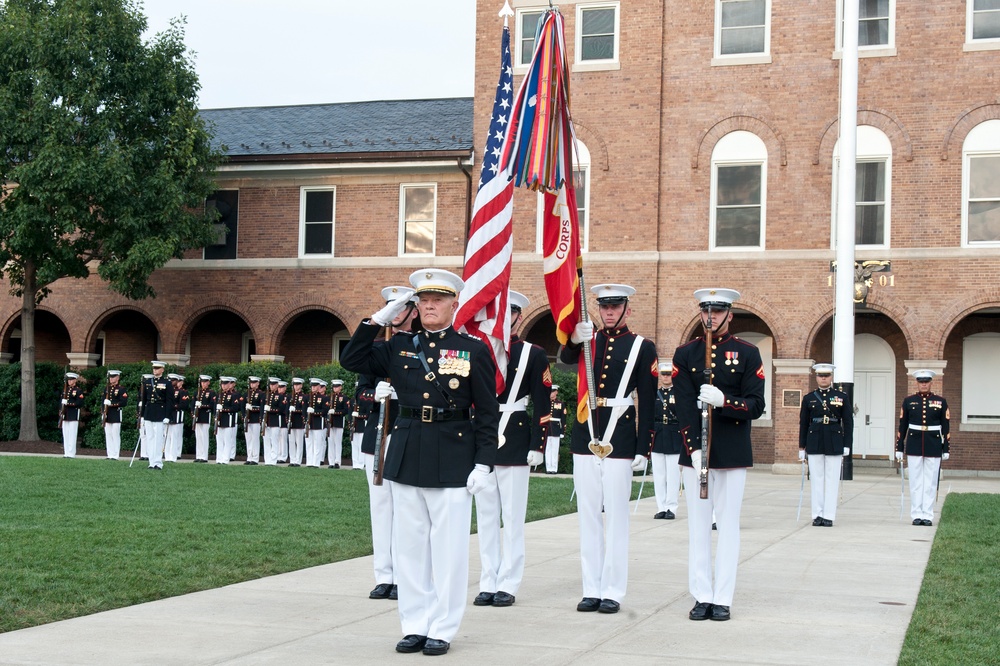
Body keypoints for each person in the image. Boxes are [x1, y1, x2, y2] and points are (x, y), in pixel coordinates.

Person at [341, 268, 498, 657]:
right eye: (423, 300)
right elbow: (352, 358)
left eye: (438, 299)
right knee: (409, 548)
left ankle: (442, 627)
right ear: (415, 306)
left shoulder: (472, 349)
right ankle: (414, 624)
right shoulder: (399, 347)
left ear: (453, 304)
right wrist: (379, 318)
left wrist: (483, 463)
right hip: (408, 452)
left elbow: (488, 413)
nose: (430, 305)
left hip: (453, 455)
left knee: (448, 550)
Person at [558, 283, 658, 615]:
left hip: (621, 435)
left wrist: (644, 447)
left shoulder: (643, 347)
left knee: (616, 516)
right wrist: (574, 340)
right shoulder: (589, 340)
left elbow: (648, 398)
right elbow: (566, 359)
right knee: (587, 514)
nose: (609, 311)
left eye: (616, 306)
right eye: (604, 306)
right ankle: (591, 587)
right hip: (586, 431)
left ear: (627, 309)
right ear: (598, 309)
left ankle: (613, 589)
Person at [672, 288, 766, 622]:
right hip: (695, 453)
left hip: (731, 451)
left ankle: (722, 597)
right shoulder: (686, 353)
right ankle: (701, 594)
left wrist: (725, 400)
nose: (710, 317)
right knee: (698, 527)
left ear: (730, 315)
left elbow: (756, 405)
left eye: (717, 311)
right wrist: (693, 448)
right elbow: (682, 404)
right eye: (705, 311)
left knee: (727, 526)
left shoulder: (748, 353)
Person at [473, 290, 552, 609]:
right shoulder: (480, 350)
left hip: (517, 438)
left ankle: (508, 581)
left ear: (519, 317)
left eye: (510, 314)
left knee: (512, 517)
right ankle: (487, 579)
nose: (504, 319)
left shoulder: (533, 353)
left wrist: (538, 444)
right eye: (499, 314)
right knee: (486, 517)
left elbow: (543, 403)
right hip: (483, 441)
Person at [358, 284, 419, 601]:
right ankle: (385, 575)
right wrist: (374, 395)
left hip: (407, 436)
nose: (395, 313)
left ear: (413, 310)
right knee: (381, 510)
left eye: (401, 307)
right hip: (379, 436)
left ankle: (405, 574)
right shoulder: (376, 351)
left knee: (407, 510)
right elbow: (360, 390)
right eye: (390, 308)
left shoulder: (421, 347)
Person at [798, 363, 853, 527]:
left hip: (835, 441)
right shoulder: (809, 398)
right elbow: (803, 423)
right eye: (820, 375)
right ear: (816, 377)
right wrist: (802, 447)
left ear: (831, 377)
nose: (823, 378)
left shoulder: (841, 397)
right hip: (814, 441)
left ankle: (828, 515)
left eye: (826, 375)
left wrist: (847, 444)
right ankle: (817, 514)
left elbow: (848, 422)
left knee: (831, 480)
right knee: (816, 480)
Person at [896, 369, 950, 527]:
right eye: (921, 381)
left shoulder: (940, 401)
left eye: (926, 381)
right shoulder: (908, 401)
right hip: (914, 443)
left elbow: (946, 426)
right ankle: (916, 514)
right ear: (917, 383)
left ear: (931, 383)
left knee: (931, 482)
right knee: (915, 481)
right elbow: (902, 425)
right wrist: (899, 446)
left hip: (933, 444)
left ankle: (927, 514)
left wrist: (946, 448)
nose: (924, 384)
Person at [651, 361, 683, 520]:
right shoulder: (654, 394)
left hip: (673, 436)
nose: (665, 377)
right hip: (657, 436)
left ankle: (671, 507)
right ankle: (661, 507)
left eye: (668, 374)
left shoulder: (679, 394)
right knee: (659, 475)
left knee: (673, 475)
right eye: (663, 374)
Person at [143, 361, 175, 470]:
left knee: (158, 439)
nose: (155, 370)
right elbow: (144, 400)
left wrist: (167, 415)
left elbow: (169, 401)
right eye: (154, 368)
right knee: (150, 438)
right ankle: (151, 462)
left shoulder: (167, 383)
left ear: (162, 370)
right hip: (149, 412)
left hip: (160, 413)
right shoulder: (147, 382)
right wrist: (142, 415)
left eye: (157, 368)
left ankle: (158, 462)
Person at [215, 377, 243, 464]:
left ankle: (226, 459)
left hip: (228, 419)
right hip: (220, 420)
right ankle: (219, 458)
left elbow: (235, 408)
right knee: (219, 440)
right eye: (222, 384)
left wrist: (223, 409)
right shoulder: (219, 395)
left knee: (227, 440)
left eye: (226, 384)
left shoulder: (233, 395)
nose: (224, 386)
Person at [102, 370, 128, 460]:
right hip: (107, 413)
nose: (111, 379)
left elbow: (123, 402)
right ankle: (110, 454)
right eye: (110, 377)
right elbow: (103, 402)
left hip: (116, 413)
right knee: (108, 434)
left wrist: (112, 404)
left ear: (118, 378)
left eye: (113, 377)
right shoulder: (107, 389)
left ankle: (116, 455)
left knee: (115, 434)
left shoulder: (121, 389)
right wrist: (103, 412)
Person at [165, 374, 190, 462]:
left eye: (173, 381)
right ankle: (167, 456)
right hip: (167, 415)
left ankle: (173, 456)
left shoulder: (182, 392)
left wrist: (173, 406)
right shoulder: (167, 391)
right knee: (167, 437)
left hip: (176, 416)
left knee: (174, 437)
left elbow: (184, 405)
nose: (172, 382)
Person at [305, 379, 330, 468]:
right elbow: (304, 410)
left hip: (319, 423)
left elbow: (325, 411)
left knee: (317, 443)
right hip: (309, 423)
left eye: (315, 386)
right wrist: (305, 419)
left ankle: (316, 462)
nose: (313, 388)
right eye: (312, 386)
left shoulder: (324, 398)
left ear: (319, 387)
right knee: (309, 443)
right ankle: (309, 462)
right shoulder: (307, 397)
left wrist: (314, 412)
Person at [60, 372, 85, 458]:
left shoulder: (78, 390)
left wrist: (68, 403)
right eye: (68, 380)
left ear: (75, 380)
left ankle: (71, 453)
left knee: (72, 434)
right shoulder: (65, 390)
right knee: (65, 434)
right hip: (65, 414)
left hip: (73, 414)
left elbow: (79, 403)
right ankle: (66, 452)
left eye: (71, 380)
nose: (69, 382)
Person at [327, 379, 351, 469]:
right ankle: (331, 461)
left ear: (340, 387)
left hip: (339, 421)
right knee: (331, 442)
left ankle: (337, 461)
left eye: (337, 386)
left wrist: (336, 412)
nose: (335, 388)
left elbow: (345, 410)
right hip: (331, 422)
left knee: (337, 442)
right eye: (334, 386)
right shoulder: (330, 397)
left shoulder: (344, 398)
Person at [192, 375, 216, 463]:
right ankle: (198, 455)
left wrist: (202, 406)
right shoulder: (197, 392)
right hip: (198, 416)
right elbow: (192, 404)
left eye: (205, 382)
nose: (203, 384)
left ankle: (204, 456)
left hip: (205, 415)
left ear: (208, 382)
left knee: (204, 436)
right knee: (198, 436)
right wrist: (193, 412)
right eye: (202, 382)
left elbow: (211, 405)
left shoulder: (211, 392)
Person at [262, 377, 285, 466]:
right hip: (267, 421)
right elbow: (261, 408)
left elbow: (281, 409)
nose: (272, 386)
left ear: (277, 385)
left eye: (274, 385)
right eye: (271, 385)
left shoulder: (280, 396)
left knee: (274, 441)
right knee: (266, 441)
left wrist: (270, 409)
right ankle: (267, 460)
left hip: (275, 421)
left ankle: (273, 460)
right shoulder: (266, 395)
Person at [544, 385, 565, 474]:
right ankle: (548, 468)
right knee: (547, 449)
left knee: (555, 449)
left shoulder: (560, 403)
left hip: (556, 428)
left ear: (556, 392)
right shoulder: (545, 402)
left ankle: (554, 468)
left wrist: (562, 431)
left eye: (552, 391)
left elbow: (563, 418)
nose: (551, 393)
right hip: (547, 428)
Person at [244, 376, 265, 465]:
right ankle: (249, 457)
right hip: (248, 419)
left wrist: (253, 408)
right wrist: (244, 415)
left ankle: (255, 458)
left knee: (255, 439)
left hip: (256, 419)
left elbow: (262, 407)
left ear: (258, 383)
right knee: (248, 439)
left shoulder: (261, 394)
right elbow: (242, 405)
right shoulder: (247, 393)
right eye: (251, 383)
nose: (252, 384)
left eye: (254, 383)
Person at [287, 378, 308, 467]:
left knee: (299, 442)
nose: (296, 386)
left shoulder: (304, 396)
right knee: (291, 441)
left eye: (298, 385)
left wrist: (296, 410)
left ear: (301, 385)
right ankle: (292, 460)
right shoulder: (289, 396)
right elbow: (286, 409)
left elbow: (304, 410)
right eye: (295, 385)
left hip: (299, 421)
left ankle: (298, 461)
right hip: (291, 421)